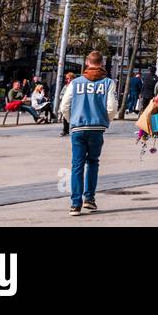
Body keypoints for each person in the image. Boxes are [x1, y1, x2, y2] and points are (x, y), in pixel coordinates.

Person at [57, 51, 118, 216]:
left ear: (87, 62)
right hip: (97, 128)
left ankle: (75, 204)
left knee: (77, 165)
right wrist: (105, 121)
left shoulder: (75, 83)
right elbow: (112, 108)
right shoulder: (108, 83)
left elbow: (64, 106)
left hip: (78, 127)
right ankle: (89, 199)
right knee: (93, 162)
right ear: (102, 63)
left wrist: (72, 121)